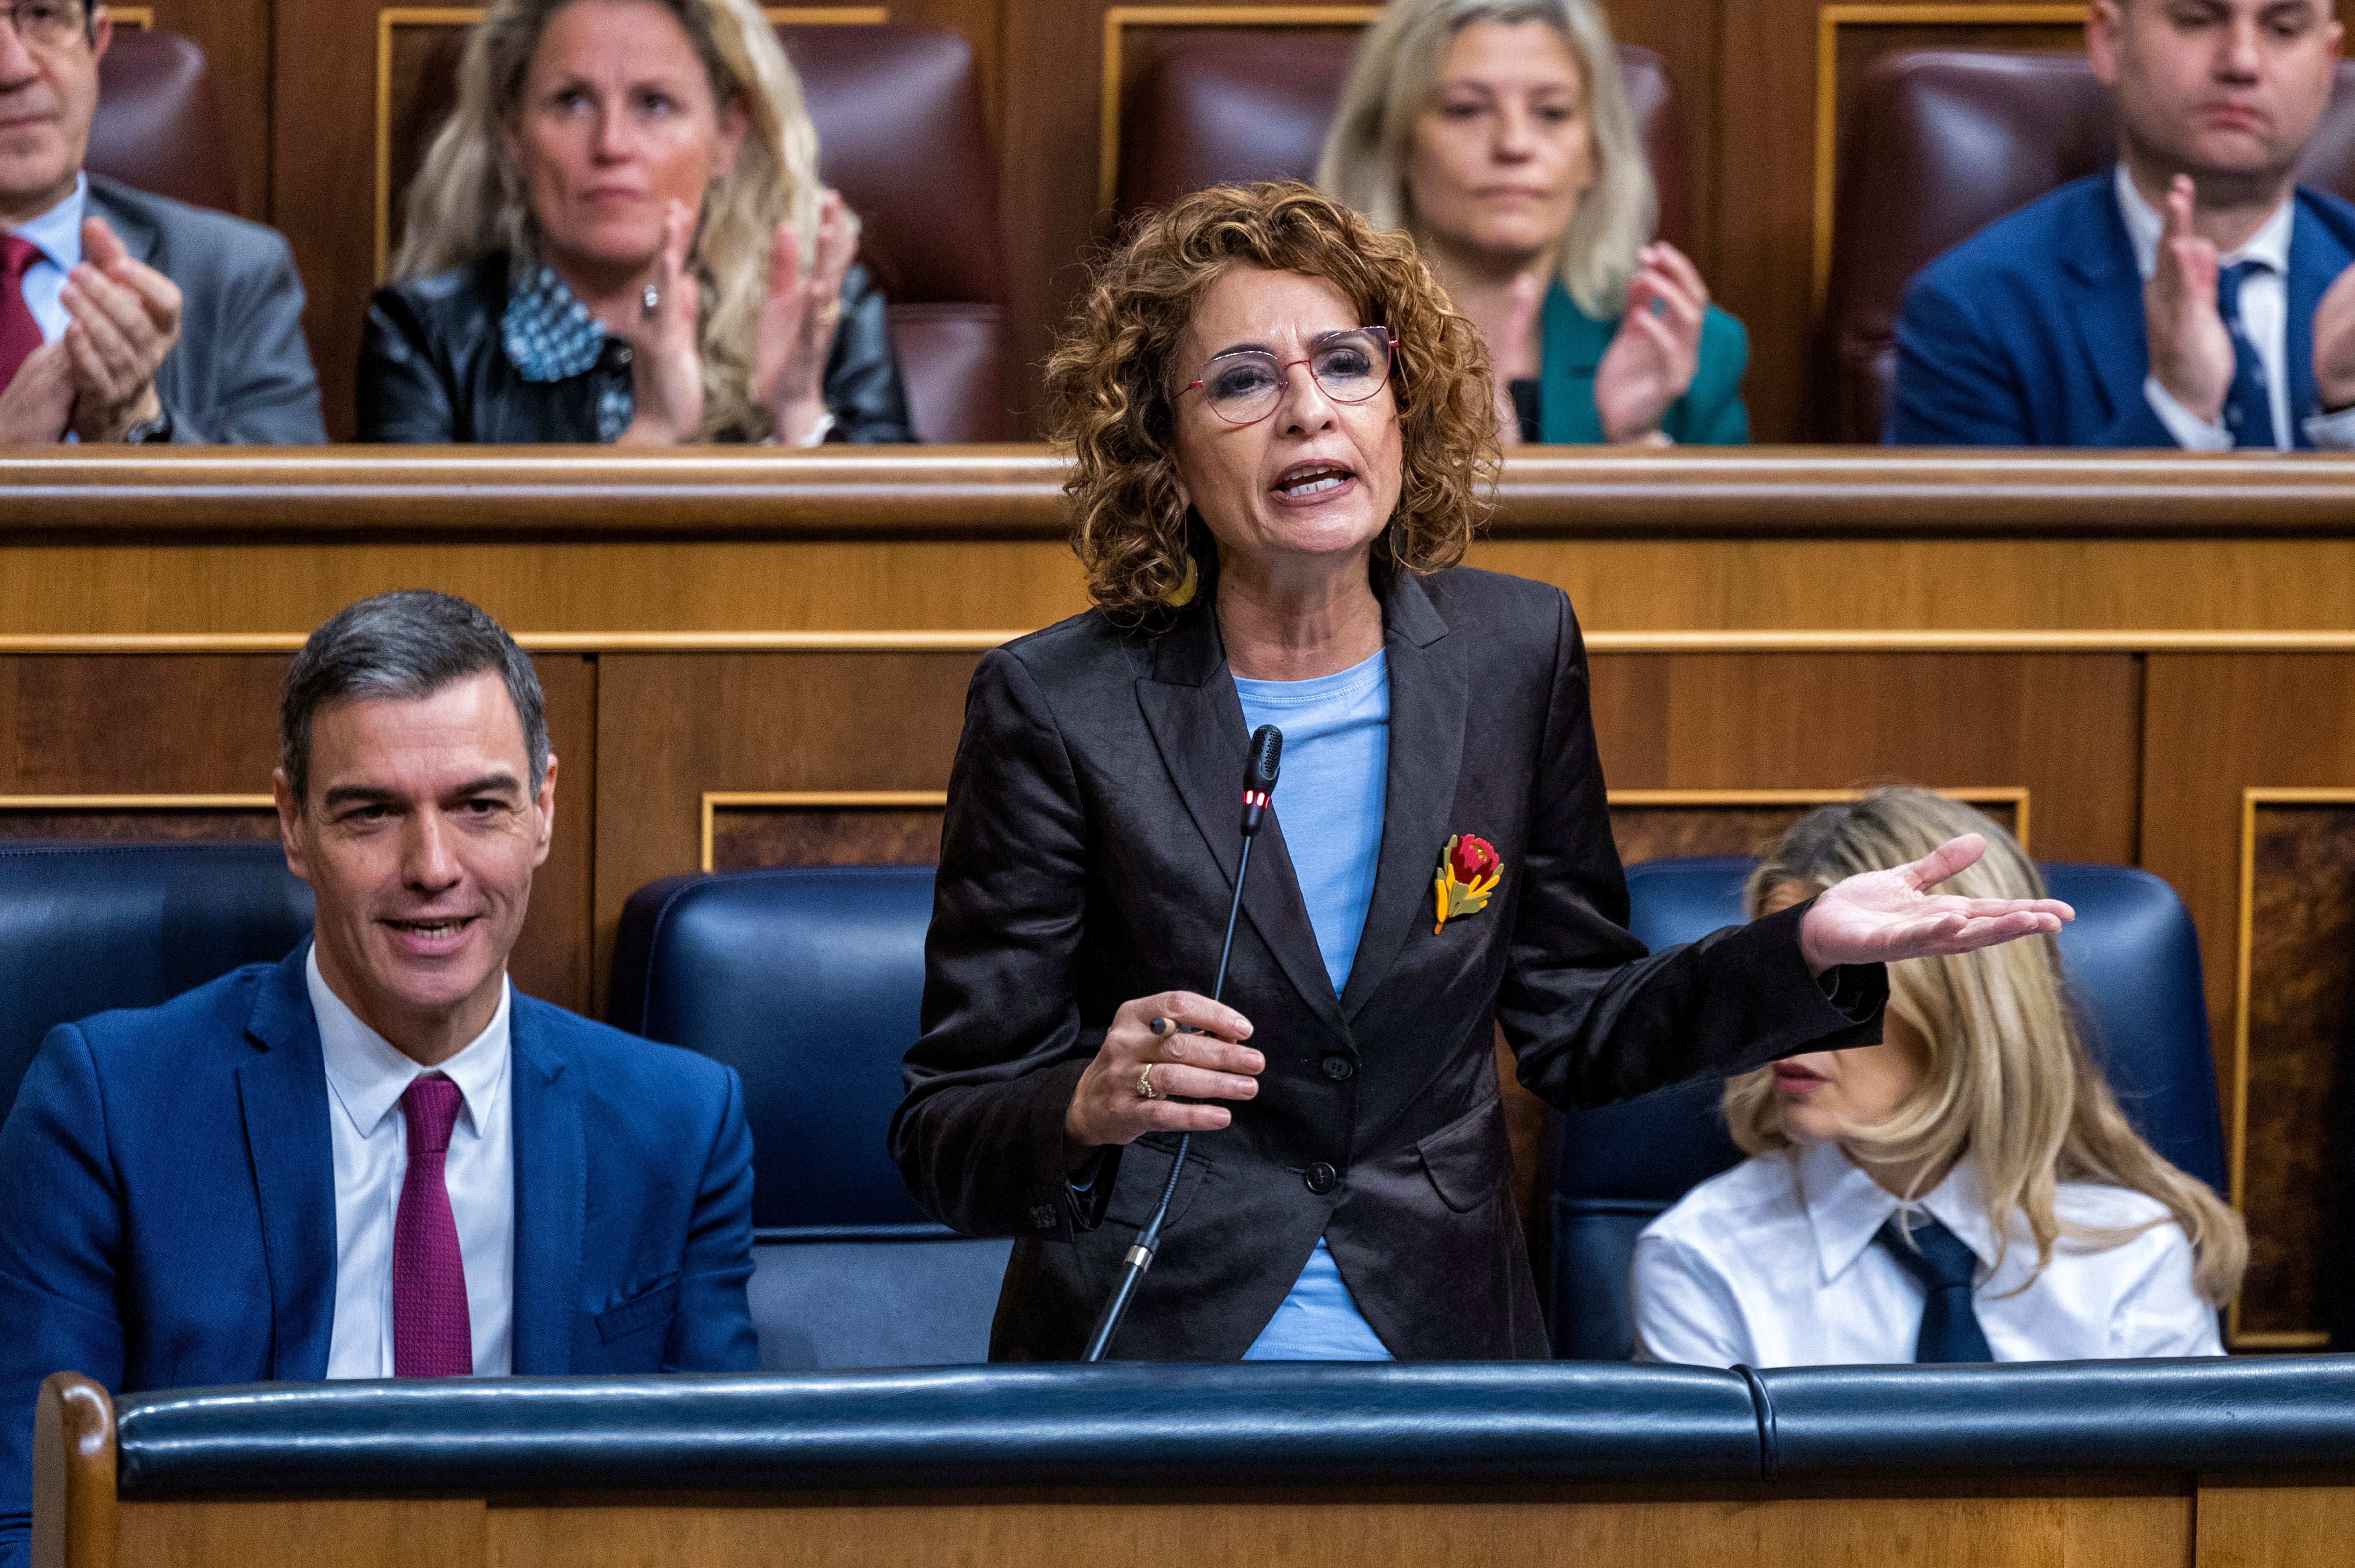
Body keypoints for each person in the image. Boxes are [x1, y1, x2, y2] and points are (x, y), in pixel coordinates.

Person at [889, 181, 2071, 1364]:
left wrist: (1801, 949)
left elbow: (1578, 1025)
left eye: (1345, 362)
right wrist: (1086, 1106)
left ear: (1398, 400)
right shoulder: (1058, 706)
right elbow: (944, 1125)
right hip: (1151, 1343)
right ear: (1162, 444)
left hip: (1446, 1346)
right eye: (1244, 380)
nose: (1308, 412)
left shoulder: (1516, 655)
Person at [0, 591, 760, 1568]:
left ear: (544, 807)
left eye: (479, 805)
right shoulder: (109, 1103)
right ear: (292, 822)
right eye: (371, 812)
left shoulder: (678, 1124)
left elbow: (724, 1540)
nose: (433, 867)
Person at [1632, 789, 2247, 1367]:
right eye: (1779, 981)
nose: (1789, 1025)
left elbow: (2189, 1484)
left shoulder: (2129, 1256)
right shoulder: (1700, 1260)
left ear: (1964, 1003)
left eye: (1840, 979)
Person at [360, 0, 910, 445]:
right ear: (514, 138)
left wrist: (798, 417)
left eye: (654, 103)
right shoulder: (422, 336)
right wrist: (653, 435)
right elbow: (421, 579)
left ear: (727, 136)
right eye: (572, 101)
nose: (611, 145)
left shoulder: (828, 319)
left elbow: (904, 573)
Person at [1889, 0, 2355, 449]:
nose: (2242, 61)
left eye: (2284, 29)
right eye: (2196, 19)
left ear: (2329, 64)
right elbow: (1979, 533)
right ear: (2110, 41)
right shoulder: (1973, 310)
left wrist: (2348, 417)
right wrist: (2178, 413)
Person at [1317, 0, 1745, 446]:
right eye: (1466, 109)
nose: (1515, 144)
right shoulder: (1320, 349)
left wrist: (1634, 451)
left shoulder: (1694, 348)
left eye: (1552, 112)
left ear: (1594, 155)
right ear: (1395, 147)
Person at [0, 0, 323, 443]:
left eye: (44, 15)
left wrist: (135, 424)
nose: (12, 68)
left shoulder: (236, 274)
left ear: (95, 41)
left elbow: (293, 508)